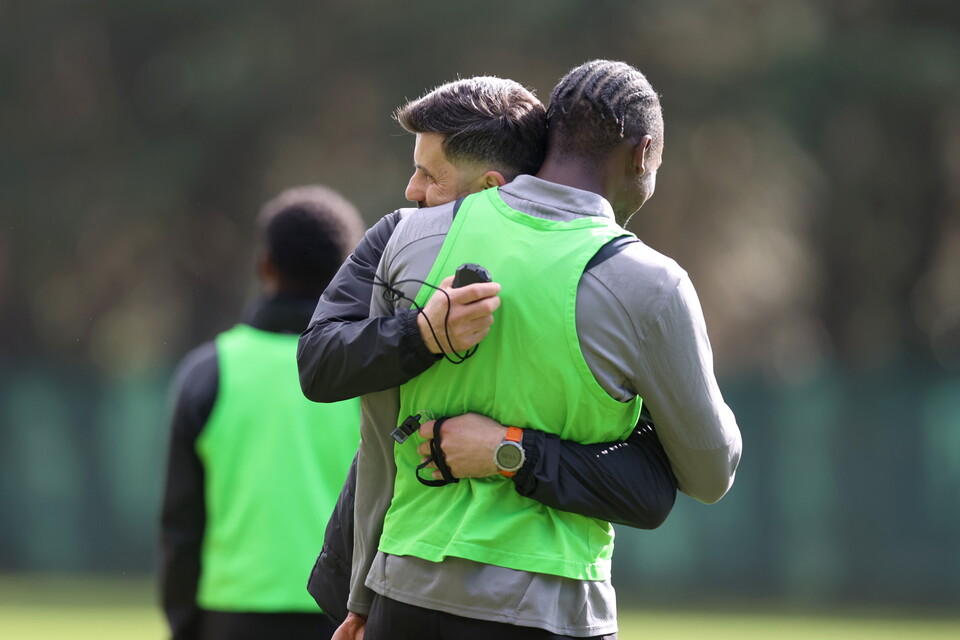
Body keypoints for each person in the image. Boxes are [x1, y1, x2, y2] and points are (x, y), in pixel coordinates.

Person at [334, 60, 742, 640]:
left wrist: (362, 599)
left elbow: (376, 435)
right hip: (552, 607)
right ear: (643, 153)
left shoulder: (412, 234)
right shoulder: (651, 285)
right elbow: (710, 473)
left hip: (405, 591)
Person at [159, 185, 365, 640]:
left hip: (230, 615)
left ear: (265, 265)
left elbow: (181, 523)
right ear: (350, 271)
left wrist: (184, 623)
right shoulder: (370, 375)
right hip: (345, 616)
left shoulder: (208, 371)